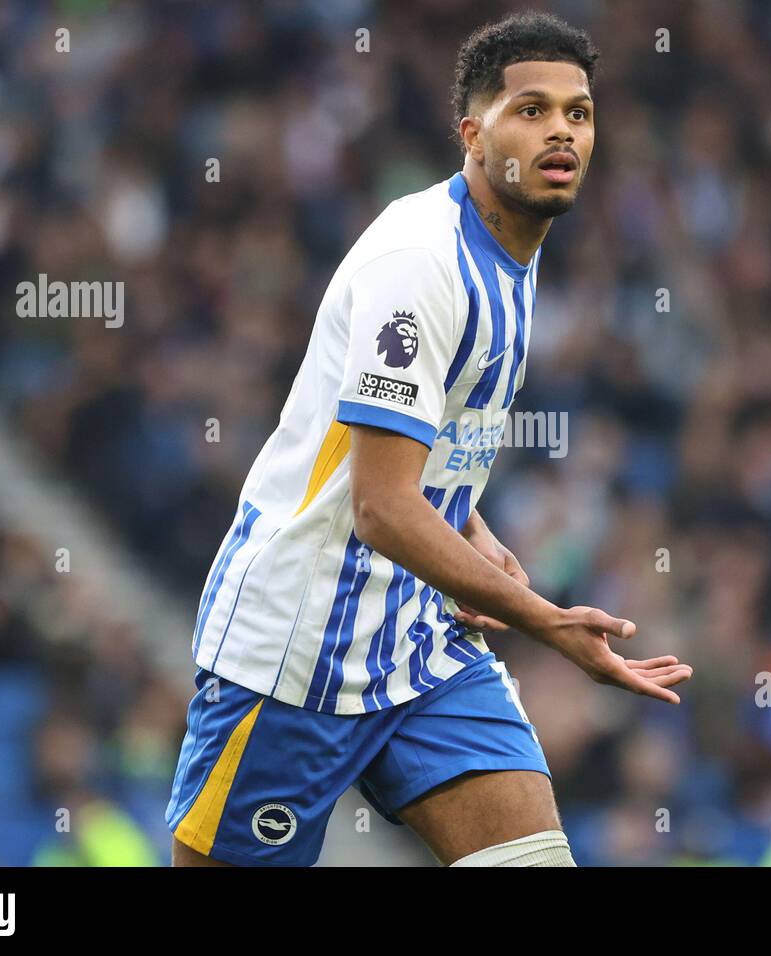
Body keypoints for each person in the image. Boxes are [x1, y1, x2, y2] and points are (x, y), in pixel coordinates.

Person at [166, 10, 693, 867]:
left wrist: (485, 548)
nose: (560, 128)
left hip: (420, 640)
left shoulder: (513, 253)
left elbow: (431, 453)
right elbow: (378, 506)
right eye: (531, 109)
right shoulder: (419, 263)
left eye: (579, 111)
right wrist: (548, 621)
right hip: (299, 651)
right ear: (472, 135)